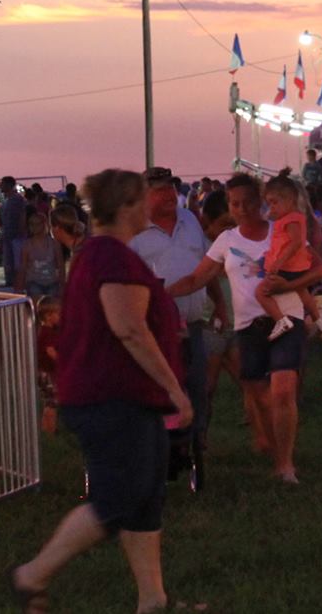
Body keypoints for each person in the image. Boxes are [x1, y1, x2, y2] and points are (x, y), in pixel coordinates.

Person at [7, 169, 188, 613]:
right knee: (116, 500)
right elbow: (128, 328)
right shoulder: (112, 258)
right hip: (112, 396)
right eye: (144, 199)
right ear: (127, 206)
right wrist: (175, 388)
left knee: (145, 499)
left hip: (125, 396)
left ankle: (153, 599)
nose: (151, 206)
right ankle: (32, 575)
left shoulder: (103, 252)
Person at [167, 174, 322, 484]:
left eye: (248, 202)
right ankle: (275, 446)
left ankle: (285, 464)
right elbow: (198, 278)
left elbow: (318, 268)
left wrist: (290, 285)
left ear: (261, 201)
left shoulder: (281, 231)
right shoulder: (227, 241)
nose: (241, 209)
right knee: (259, 394)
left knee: (283, 390)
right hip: (248, 324)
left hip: (286, 317)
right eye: (234, 203)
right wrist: (161, 292)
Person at [132, 166, 215, 484]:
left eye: (170, 189)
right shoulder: (136, 232)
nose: (169, 195)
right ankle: (158, 450)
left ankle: (191, 445)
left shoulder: (190, 221)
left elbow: (206, 266)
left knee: (196, 386)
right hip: (152, 330)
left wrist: (218, 304)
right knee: (159, 390)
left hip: (191, 324)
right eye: (160, 191)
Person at [253, 177, 315, 338]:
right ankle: (318, 318)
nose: (271, 207)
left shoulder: (291, 219)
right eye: (269, 203)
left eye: (274, 203)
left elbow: (295, 243)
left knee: (260, 292)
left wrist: (277, 263)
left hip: (288, 267)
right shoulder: (290, 217)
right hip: (295, 266)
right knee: (302, 291)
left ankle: (281, 320)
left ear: (290, 200)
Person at [20, 209, 64, 299]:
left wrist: (62, 284)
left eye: (37, 224)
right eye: (31, 224)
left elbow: (60, 265)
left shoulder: (54, 244)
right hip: (34, 282)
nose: (34, 227)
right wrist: (19, 286)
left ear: (44, 224)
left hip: (52, 282)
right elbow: (23, 267)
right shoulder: (27, 246)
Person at [0, 176, 28, 289]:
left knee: (17, 261)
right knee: (8, 260)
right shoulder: (6, 201)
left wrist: (21, 230)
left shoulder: (17, 200)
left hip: (16, 236)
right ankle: (10, 280)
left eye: (3, 184)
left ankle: (18, 281)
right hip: (7, 235)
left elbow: (22, 215)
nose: (1, 186)